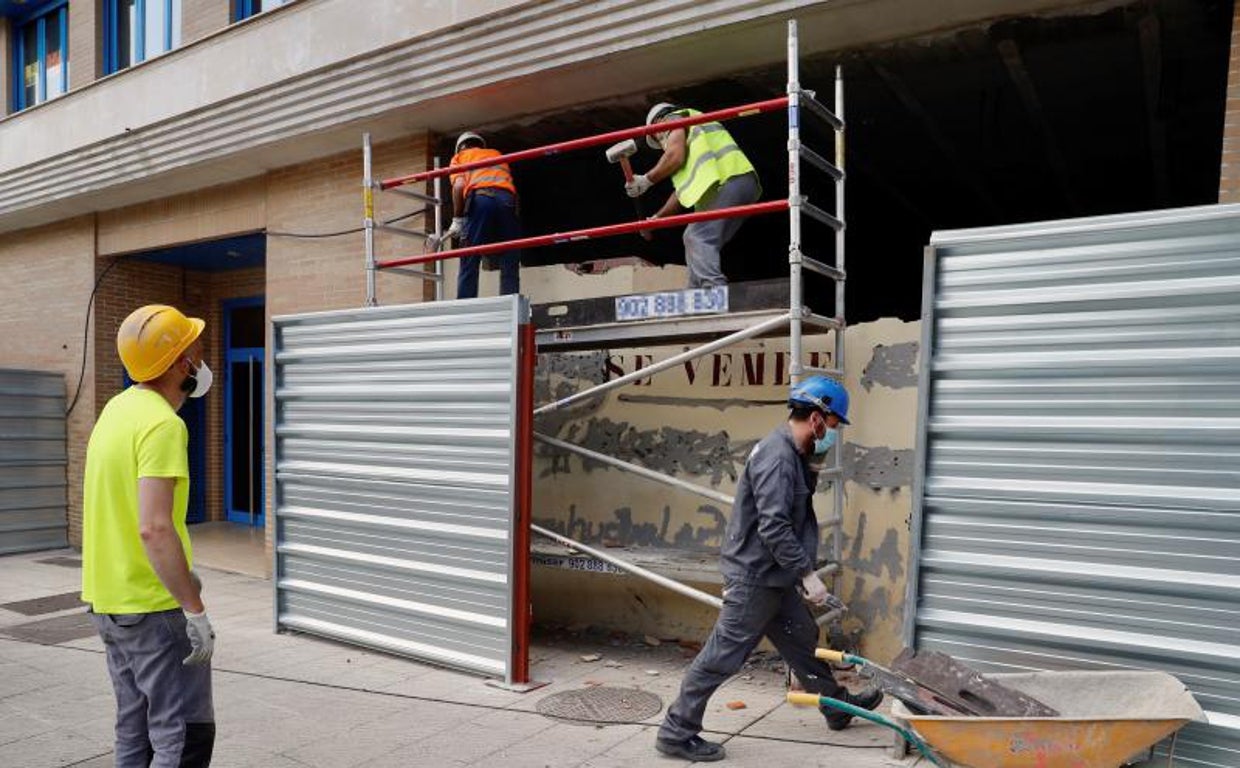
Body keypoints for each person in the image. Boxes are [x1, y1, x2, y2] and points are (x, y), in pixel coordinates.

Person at [655, 376, 882, 762]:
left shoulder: (794, 455)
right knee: (721, 656)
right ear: (816, 419)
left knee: (803, 640)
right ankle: (676, 732)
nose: (833, 434)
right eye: (832, 426)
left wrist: (814, 458)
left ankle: (836, 707)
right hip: (755, 578)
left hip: (774, 577)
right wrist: (806, 574)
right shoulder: (777, 459)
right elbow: (774, 526)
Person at [81, 304, 216, 767]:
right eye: (197, 351)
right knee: (183, 737)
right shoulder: (162, 425)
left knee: (134, 730)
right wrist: (194, 609)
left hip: (109, 603)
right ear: (182, 364)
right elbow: (154, 527)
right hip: (153, 608)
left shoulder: (115, 412)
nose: (202, 361)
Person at [624, 103, 762, 289]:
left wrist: (646, 180)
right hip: (739, 184)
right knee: (700, 241)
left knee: (697, 237)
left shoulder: (674, 118)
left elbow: (675, 155)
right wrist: (656, 219)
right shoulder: (693, 139)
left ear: (658, 123)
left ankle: (714, 291)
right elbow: (680, 194)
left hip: (728, 181)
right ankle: (695, 293)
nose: (661, 143)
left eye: (656, 138)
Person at [444, 131, 522, 299]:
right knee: (510, 257)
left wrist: (457, 219)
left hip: (481, 200)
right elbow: (512, 191)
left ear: (461, 148)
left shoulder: (460, 157)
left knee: (470, 255)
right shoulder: (497, 155)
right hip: (507, 202)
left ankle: (466, 306)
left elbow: (458, 186)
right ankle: (510, 304)